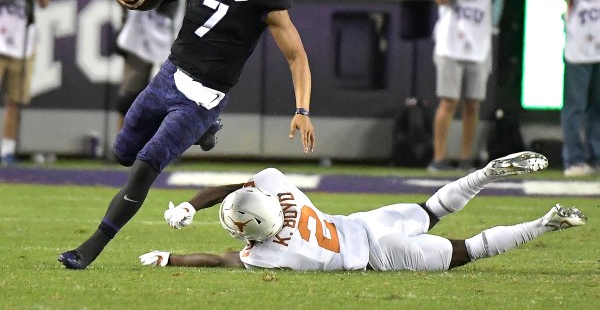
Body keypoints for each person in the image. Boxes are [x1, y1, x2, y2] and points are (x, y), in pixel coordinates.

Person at [57, 0, 315, 270]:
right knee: (123, 152)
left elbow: (296, 56)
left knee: (145, 167)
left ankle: (91, 248)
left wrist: (302, 110)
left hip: (202, 99)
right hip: (169, 76)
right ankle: (207, 132)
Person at [138, 151, 587, 271]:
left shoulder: (273, 254)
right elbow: (235, 186)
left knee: (469, 249)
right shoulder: (279, 186)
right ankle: (485, 174)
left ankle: (543, 222)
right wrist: (193, 204)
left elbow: (218, 259)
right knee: (431, 209)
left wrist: (167, 258)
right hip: (370, 221)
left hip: (378, 256)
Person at [427, 0, 505, 173]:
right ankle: (439, 156)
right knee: (448, 101)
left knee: (472, 105)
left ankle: (465, 159)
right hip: (450, 45)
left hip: (479, 47)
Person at [114, 0, 189, 131]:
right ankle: (120, 141)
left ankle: (159, 146)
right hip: (141, 32)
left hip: (170, 36)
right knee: (129, 94)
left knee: (166, 99)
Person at [0, 0, 50, 166]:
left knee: (14, 101)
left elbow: (43, 2)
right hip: (0, 38)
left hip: (23, 42)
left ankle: (7, 149)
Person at [553, 0, 600, 177]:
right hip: (579, 46)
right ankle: (574, 158)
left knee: (598, 108)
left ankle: (596, 156)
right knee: (575, 107)